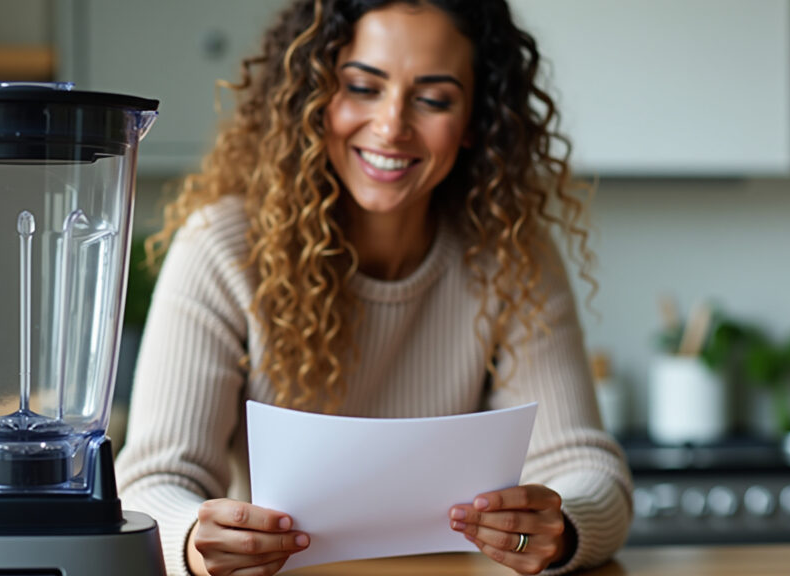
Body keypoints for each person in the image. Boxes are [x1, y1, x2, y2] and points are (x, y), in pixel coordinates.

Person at [115, 1, 633, 575]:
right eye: (363, 87)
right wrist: (193, 537)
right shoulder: (223, 248)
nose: (391, 126)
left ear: (474, 122)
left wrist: (560, 529)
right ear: (313, 98)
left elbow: (587, 467)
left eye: (434, 99)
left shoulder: (510, 253)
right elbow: (152, 482)